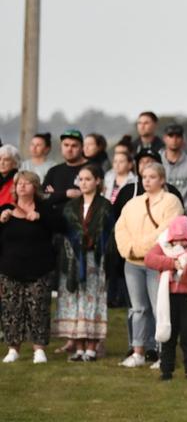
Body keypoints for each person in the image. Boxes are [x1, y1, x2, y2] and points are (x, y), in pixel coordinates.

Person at [115, 162, 183, 368]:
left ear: (162, 179)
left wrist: (139, 248)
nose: (147, 180)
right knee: (138, 309)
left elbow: (166, 230)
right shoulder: (133, 203)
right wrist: (129, 249)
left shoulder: (171, 202)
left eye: (152, 177)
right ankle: (138, 351)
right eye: (144, 176)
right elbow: (121, 228)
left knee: (159, 308)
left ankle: (164, 353)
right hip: (132, 263)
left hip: (157, 263)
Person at [0, 170, 66, 364]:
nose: (22, 186)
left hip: (39, 269)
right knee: (12, 310)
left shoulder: (45, 208)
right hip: (10, 269)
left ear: (35, 188)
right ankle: (13, 349)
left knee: (39, 309)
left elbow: (61, 226)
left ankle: (39, 349)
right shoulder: (6, 208)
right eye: (19, 183)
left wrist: (39, 217)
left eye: (27, 183)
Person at [54, 164, 113, 360]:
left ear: (97, 181)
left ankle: (92, 348)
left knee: (93, 301)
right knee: (75, 302)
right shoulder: (71, 206)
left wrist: (93, 242)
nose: (84, 182)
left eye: (88, 178)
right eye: (81, 179)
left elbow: (109, 233)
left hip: (95, 260)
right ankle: (79, 348)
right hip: (74, 260)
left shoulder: (104, 206)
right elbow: (63, 232)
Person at [144, 215, 187, 380]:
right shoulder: (163, 246)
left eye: (182, 240)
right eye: (175, 240)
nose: (178, 244)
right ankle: (166, 370)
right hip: (168, 297)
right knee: (167, 334)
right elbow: (149, 259)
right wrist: (172, 263)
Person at [160, 124, 187, 216]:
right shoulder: (156, 162)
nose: (174, 140)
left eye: (178, 136)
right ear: (164, 138)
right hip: (157, 215)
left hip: (184, 216)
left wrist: (180, 212)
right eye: (171, 136)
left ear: (183, 139)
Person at [44, 129, 89, 209]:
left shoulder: (92, 169)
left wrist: (56, 194)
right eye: (66, 145)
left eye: (74, 146)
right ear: (61, 147)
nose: (69, 149)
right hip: (56, 219)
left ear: (82, 148)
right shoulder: (54, 171)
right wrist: (66, 194)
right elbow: (44, 197)